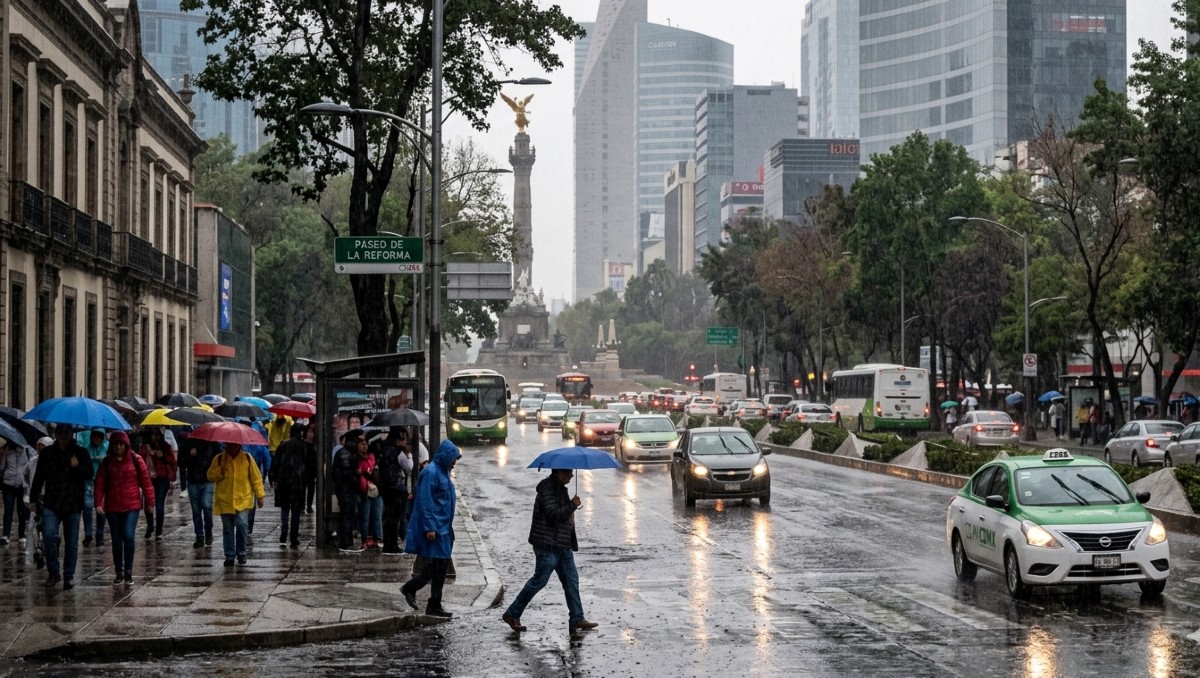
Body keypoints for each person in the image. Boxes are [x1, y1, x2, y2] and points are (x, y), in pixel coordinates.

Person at [501, 468, 599, 635]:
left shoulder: (560, 489)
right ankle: (512, 613)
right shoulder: (547, 490)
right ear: (558, 473)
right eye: (568, 472)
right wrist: (572, 505)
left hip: (562, 545)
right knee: (539, 581)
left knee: (571, 581)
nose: (571, 475)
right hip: (547, 545)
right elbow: (554, 515)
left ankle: (577, 618)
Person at [400, 440, 461, 619]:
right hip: (435, 528)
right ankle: (417, 591)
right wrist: (430, 527)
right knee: (437, 566)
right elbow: (425, 502)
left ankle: (431, 601)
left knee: (439, 567)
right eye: (453, 458)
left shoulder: (442, 472)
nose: (454, 462)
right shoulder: (431, 472)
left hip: (443, 527)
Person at [28, 426, 94, 590]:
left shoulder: (81, 452)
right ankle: (53, 572)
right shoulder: (47, 453)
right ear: (55, 435)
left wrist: (77, 467)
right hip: (52, 502)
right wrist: (33, 499)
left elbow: (89, 474)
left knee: (71, 543)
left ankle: (69, 575)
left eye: (66, 433)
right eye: (60, 433)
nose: (63, 436)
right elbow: (39, 477)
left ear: (72, 435)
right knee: (49, 536)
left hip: (73, 504)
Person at [94, 431, 154, 585]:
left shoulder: (136, 459)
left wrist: (150, 503)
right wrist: (98, 503)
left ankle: (128, 570)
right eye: (115, 444)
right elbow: (100, 483)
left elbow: (146, 482)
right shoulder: (107, 462)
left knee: (128, 535)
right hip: (113, 507)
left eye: (121, 444)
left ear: (126, 445)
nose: (118, 447)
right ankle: (119, 572)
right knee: (116, 540)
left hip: (131, 506)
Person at [207, 441, 265, 566]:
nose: (233, 448)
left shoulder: (247, 459)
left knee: (242, 524)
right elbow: (210, 476)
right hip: (225, 500)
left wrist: (260, 495)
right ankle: (229, 555)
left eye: (235, 446)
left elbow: (256, 478)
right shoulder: (219, 459)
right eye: (230, 446)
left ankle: (241, 552)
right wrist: (220, 472)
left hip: (243, 499)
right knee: (227, 529)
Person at [269, 423, 311, 549]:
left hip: (284, 482)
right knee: (296, 511)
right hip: (298, 483)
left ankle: (283, 533)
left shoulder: (283, 445)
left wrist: (273, 477)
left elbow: (275, 463)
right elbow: (309, 465)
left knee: (285, 509)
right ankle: (293, 537)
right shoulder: (305, 446)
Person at [376, 428, 413, 555]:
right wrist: (408, 454)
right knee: (395, 517)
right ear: (397, 440)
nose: (404, 441)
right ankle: (392, 545)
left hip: (386, 487)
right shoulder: (399, 452)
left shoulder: (384, 450)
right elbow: (409, 468)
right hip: (397, 488)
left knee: (388, 516)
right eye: (402, 439)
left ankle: (388, 543)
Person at [138, 428, 176, 540]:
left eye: (156, 435)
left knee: (159, 503)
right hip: (148, 478)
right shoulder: (144, 447)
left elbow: (172, 461)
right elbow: (140, 462)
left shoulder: (165, 446)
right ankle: (150, 526)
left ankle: (159, 531)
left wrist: (162, 456)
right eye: (152, 435)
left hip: (162, 478)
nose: (154, 437)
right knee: (148, 503)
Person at [179, 433, 216, 548]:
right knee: (196, 511)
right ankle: (199, 536)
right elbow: (180, 463)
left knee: (206, 505)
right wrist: (190, 455)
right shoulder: (188, 442)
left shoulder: (212, 442)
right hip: (193, 481)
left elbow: (217, 459)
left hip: (207, 480)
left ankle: (208, 531)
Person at [77, 429, 108, 548]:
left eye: (99, 437)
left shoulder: (107, 447)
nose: (97, 439)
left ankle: (99, 534)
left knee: (101, 507)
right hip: (88, 481)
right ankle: (88, 533)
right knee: (87, 507)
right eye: (95, 437)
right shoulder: (85, 449)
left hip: (102, 481)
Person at [332, 431, 363, 552]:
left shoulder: (347, 453)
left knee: (347, 516)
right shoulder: (346, 454)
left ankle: (346, 540)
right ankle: (345, 543)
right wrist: (357, 474)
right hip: (346, 490)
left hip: (345, 490)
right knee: (347, 516)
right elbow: (346, 475)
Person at [0, 438, 33, 546]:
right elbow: (2, 467)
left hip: (21, 485)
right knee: (8, 509)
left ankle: (21, 534)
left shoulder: (26, 450)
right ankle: (5, 535)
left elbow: (29, 467)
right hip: (8, 484)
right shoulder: (7, 451)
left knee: (21, 510)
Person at [356, 436, 383, 550]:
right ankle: (365, 538)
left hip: (376, 489)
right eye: (362, 444)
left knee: (377, 515)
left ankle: (377, 537)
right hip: (365, 489)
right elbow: (359, 473)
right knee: (365, 516)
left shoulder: (372, 456)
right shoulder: (356, 459)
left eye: (366, 444)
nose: (364, 446)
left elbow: (371, 470)